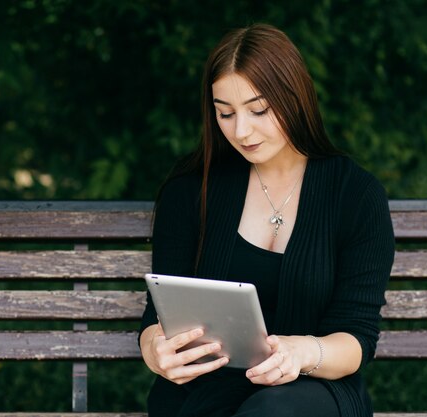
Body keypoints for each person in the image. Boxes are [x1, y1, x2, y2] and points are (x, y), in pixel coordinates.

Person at [139, 23, 395, 417]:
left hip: (312, 392)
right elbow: (158, 318)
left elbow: (357, 338)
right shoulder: (190, 191)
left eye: (259, 110)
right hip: (205, 392)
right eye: (225, 113)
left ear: (295, 98)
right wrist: (158, 353)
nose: (241, 131)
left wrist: (301, 352)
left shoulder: (355, 195)